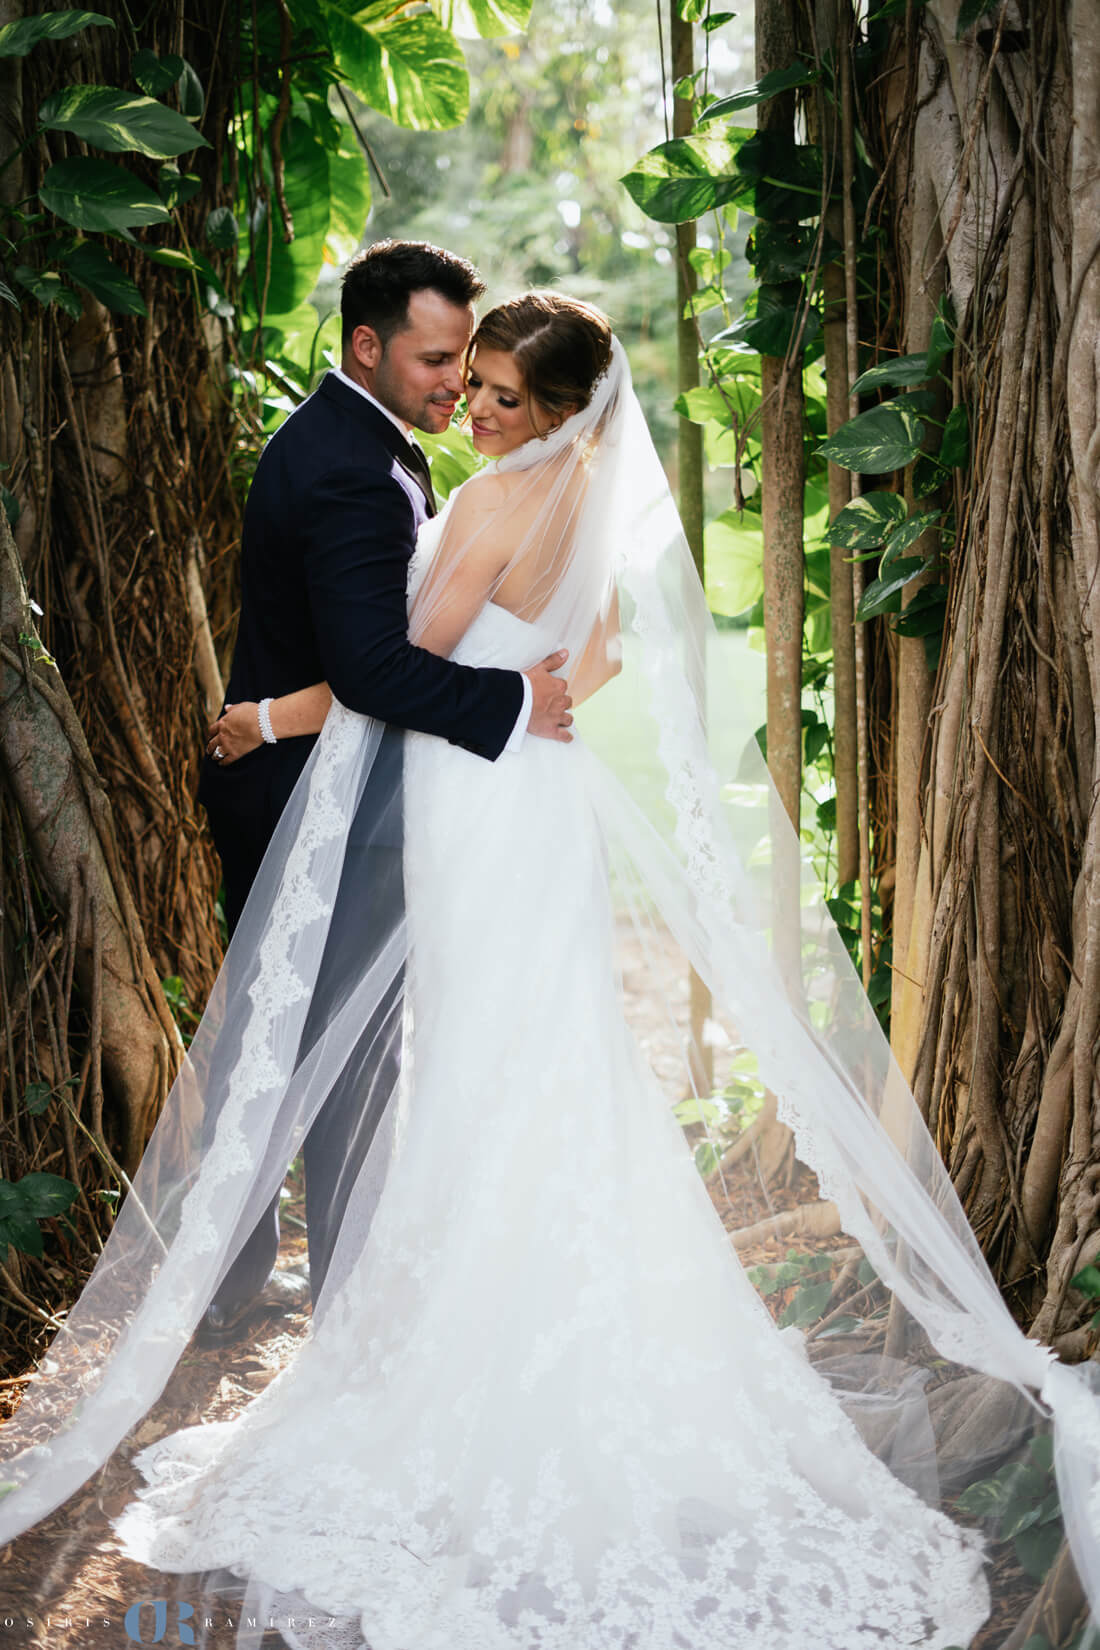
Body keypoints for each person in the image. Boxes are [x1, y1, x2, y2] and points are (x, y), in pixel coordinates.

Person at [3, 294, 1100, 1649]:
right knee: (552, 1056)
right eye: (472, 385)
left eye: (506, 398)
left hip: (472, 807)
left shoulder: (483, 511)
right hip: (541, 803)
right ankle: (573, 1341)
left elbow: (385, 669)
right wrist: (535, 687)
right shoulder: (608, 504)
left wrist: (272, 711)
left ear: (565, 410)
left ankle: (474, 1372)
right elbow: (607, 653)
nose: (476, 411)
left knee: (482, 1065)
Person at [194, 240, 574, 1343]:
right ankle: (329, 1299)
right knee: (330, 1054)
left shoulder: (355, 441)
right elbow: (371, 669)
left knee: (290, 1042)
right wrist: (511, 704)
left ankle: (256, 1281)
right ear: (366, 345)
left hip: (297, 778)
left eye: (463, 359)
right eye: (434, 358)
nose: (454, 380)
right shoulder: (355, 470)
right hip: (315, 805)